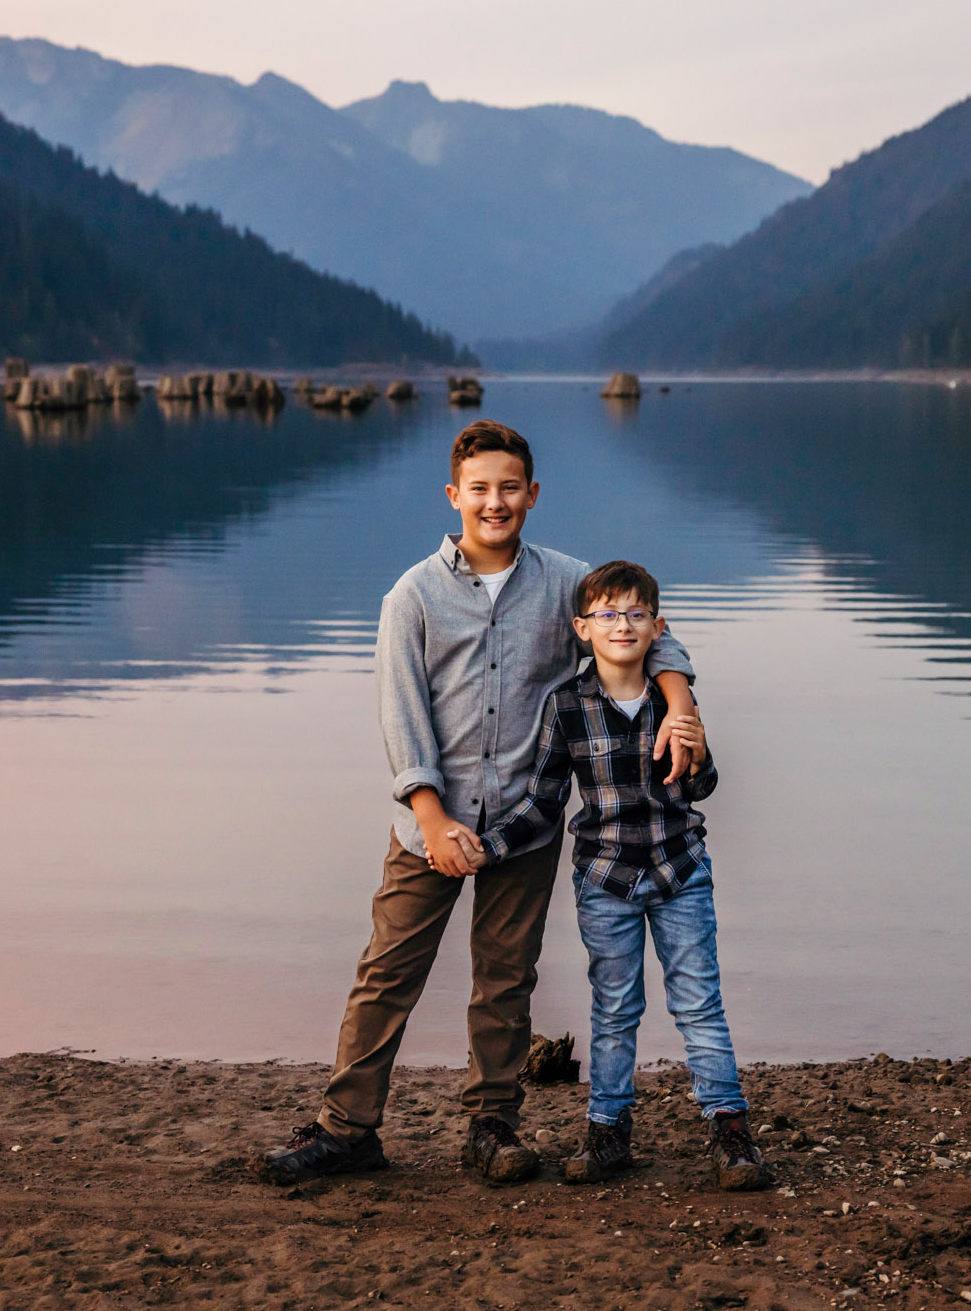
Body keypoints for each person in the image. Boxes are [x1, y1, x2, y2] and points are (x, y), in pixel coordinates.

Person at [263, 421, 700, 1185]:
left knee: (506, 976)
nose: (494, 502)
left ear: (532, 495)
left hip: (524, 824)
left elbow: (650, 633)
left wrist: (681, 702)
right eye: (479, 489)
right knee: (388, 971)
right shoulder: (413, 596)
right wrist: (431, 819)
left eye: (509, 488)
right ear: (454, 495)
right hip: (427, 823)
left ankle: (492, 1124)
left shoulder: (569, 583)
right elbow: (402, 717)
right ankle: (347, 1128)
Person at [471, 559, 771, 1191]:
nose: (622, 625)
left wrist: (699, 745)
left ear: (656, 626)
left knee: (699, 1003)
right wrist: (489, 845)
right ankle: (608, 1132)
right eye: (607, 614)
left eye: (636, 614)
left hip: (679, 869)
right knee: (614, 1008)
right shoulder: (568, 706)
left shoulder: (674, 699)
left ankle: (730, 1132)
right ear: (583, 628)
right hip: (604, 880)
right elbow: (546, 802)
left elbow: (703, 788)